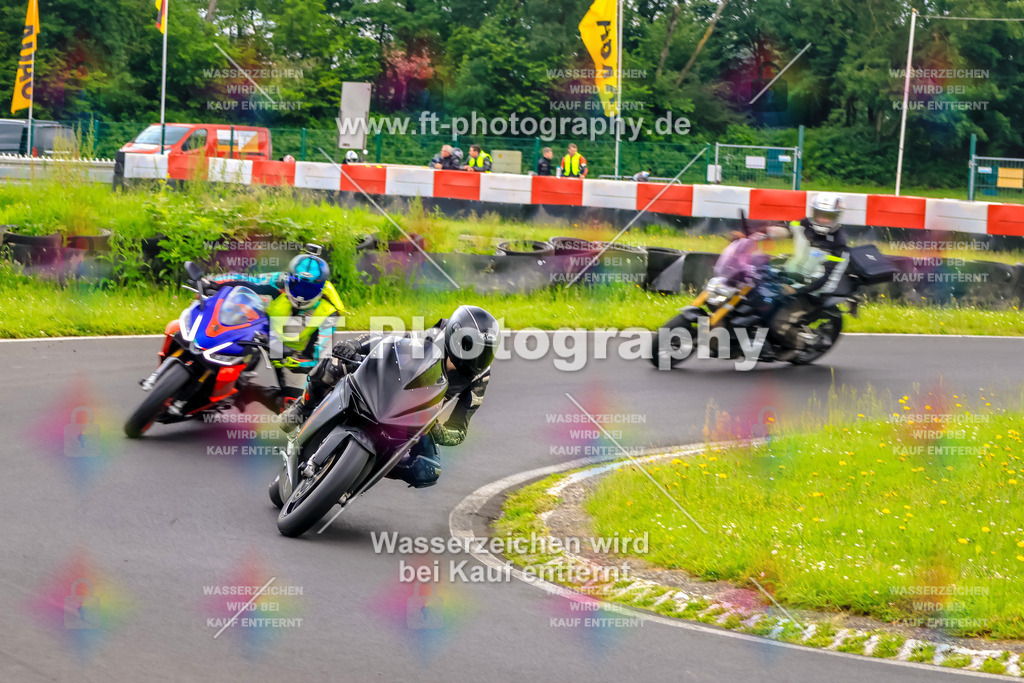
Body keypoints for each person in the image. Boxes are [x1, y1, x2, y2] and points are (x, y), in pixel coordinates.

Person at [280, 305, 499, 488]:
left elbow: (459, 430)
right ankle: (303, 407)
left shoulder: (479, 379)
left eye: (485, 352)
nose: (478, 358)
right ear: (455, 336)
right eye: (472, 348)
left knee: (428, 470)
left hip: (419, 416)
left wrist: (439, 432)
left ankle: (364, 469)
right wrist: (354, 345)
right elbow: (388, 340)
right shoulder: (435, 336)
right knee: (334, 365)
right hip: (390, 382)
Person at [202, 244, 345, 409]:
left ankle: (251, 392)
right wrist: (213, 281)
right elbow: (247, 280)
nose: (301, 293)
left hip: (295, 355)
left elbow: (320, 357)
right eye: (297, 284)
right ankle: (213, 375)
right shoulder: (279, 281)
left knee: (294, 407)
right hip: (264, 335)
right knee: (235, 335)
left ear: (321, 287)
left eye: (308, 288)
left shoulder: (331, 311)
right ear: (289, 278)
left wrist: (293, 359)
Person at [763, 192, 850, 361]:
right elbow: (788, 228)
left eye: (828, 216)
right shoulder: (805, 224)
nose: (823, 220)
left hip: (813, 293)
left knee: (777, 323)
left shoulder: (838, 245)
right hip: (792, 278)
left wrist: (795, 290)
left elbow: (824, 279)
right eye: (820, 215)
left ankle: (800, 344)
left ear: (837, 217)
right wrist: (764, 232)